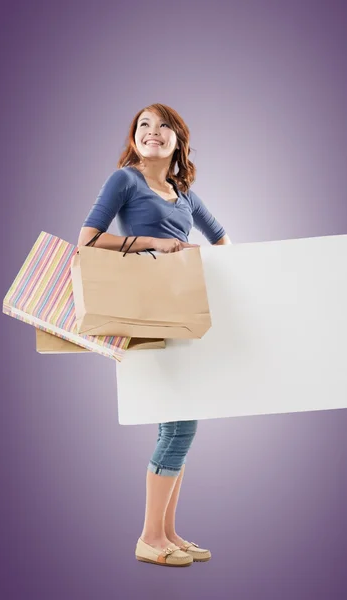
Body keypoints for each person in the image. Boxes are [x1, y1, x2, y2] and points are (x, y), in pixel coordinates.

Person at [78, 103, 231, 567]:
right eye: (144, 124)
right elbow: (87, 238)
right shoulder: (124, 179)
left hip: (178, 316)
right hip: (144, 316)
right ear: (134, 138)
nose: (153, 131)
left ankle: (167, 532)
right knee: (180, 425)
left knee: (179, 422)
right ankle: (149, 537)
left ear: (178, 140)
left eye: (164, 125)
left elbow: (222, 239)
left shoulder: (183, 192)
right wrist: (153, 244)